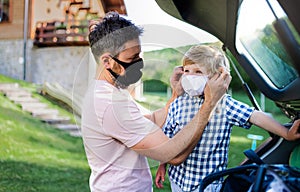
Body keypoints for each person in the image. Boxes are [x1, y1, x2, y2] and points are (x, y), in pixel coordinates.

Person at [80, 11, 231, 192]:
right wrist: (209, 105)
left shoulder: (109, 92)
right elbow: (172, 153)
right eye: (132, 59)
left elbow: (149, 121)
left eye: (139, 56)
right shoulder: (109, 105)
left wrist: (175, 95)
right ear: (107, 61)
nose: (139, 64)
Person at [154, 45, 300, 192]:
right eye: (187, 71)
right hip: (177, 180)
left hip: (207, 184)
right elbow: (168, 136)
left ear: (217, 76)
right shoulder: (178, 102)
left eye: (198, 72)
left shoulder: (224, 104)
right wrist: (163, 164)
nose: (190, 76)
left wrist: (286, 133)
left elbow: (255, 116)